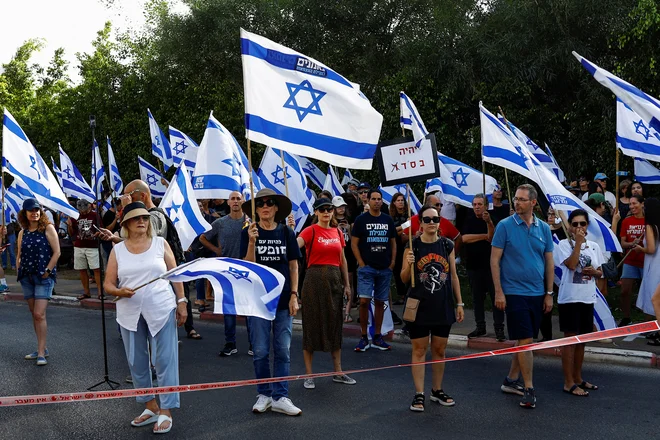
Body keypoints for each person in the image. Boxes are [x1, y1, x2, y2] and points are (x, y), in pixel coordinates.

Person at [103, 202, 188, 434]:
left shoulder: (160, 244)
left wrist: (182, 302)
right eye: (136, 218)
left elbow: (176, 275)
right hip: (129, 313)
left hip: (162, 308)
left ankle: (167, 411)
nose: (142, 221)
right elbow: (108, 284)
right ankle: (150, 407)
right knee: (136, 362)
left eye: (145, 217)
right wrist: (119, 291)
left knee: (165, 360)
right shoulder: (117, 250)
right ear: (126, 224)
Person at [99, 180, 202, 341]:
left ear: (142, 195)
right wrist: (113, 237)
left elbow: (143, 240)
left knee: (163, 343)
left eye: (129, 195)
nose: (125, 198)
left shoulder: (154, 216)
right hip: (139, 296)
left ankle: (177, 331)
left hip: (160, 285)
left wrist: (127, 209)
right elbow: (132, 242)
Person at [491, 184, 554, 409]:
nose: (516, 203)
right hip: (514, 292)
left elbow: (549, 262)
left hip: (538, 293)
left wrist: (549, 293)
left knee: (524, 340)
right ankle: (529, 388)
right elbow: (494, 260)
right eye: (515, 199)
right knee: (526, 341)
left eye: (522, 200)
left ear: (533, 203)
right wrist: (499, 291)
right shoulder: (504, 226)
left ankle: (510, 380)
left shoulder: (544, 228)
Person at [240, 188, 302, 416]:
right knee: (260, 350)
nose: (265, 206)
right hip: (258, 301)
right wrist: (251, 242)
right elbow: (247, 266)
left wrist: (295, 294)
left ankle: (281, 395)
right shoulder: (248, 232)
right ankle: (264, 394)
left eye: (269, 203)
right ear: (256, 210)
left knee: (283, 349)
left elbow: (294, 265)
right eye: (261, 204)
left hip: (284, 299)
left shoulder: (287, 232)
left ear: (277, 209)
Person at [401, 204, 464, 411]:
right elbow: (403, 279)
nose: (431, 223)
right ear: (420, 223)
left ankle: (437, 390)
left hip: (442, 304)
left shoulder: (447, 245)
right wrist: (409, 264)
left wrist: (460, 303)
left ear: (439, 222)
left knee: (439, 349)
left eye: (435, 219)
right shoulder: (412, 246)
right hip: (419, 305)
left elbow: (453, 276)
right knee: (419, 350)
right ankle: (419, 394)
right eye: (426, 219)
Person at [297, 198, 355, 389]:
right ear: (316, 212)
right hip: (313, 281)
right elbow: (294, 245)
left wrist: (347, 284)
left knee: (335, 325)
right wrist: (290, 230)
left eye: (329, 209)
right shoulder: (310, 230)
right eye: (322, 209)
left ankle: (338, 372)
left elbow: (343, 260)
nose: (326, 212)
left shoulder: (337, 231)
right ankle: (309, 375)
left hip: (334, 281)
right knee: (311, 326)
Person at [553, 209, 603, 396]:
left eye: (582, 224)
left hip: (587, 297)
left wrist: (595, 272)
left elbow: (600, 272)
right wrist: (578, 244)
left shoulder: (594, 246)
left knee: (582, 340)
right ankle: (568, 382)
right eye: (575, 224)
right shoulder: (564, 245)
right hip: (570, 298)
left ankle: (578, 378)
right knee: (570, 339)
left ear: (587, 225)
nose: (579, 227)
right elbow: (572, 265)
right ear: (570, 227)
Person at [199, 191, 252, 356]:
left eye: (238, 199)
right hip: (226, 270)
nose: (235, 201)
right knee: (229, 309)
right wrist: (216, 250)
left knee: (249, 310)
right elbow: (203, 237)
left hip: (246, 269)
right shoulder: (220, 223)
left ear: (243, 201)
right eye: (233, 199)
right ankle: (230, 343)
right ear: (228, 203)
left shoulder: (250, 222)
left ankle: (253, 344)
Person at [351, 188, 397, 352]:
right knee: (363, 302)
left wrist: (392, 262)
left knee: (380, 302)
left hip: (384, 268)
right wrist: (361, 263)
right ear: (368, 201)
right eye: (374, 199)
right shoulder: (361, 220)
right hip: (366, 269)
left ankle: (377, 336)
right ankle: (364, 336)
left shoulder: (388, 220)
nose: (377, 201)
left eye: (379, 199)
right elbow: (354, 243)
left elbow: (393, 242)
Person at [16, 198, 60, 366]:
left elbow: (57, 253)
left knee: (38, 314)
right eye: (31, 210)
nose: (35, 213)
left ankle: (41, 353)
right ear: (25, 213)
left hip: (43, 277)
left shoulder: (48, 228)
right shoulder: (23, 232)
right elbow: (19, 253)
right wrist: (18, 267)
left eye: (37, 210)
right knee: (34, 314)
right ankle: (43, 347)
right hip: (27, 277)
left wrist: (48, 271)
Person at [462, 194, 505, 341]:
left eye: (479, 204)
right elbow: (464, 238)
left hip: (491, 267)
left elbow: (493, 238)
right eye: (474, 204)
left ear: (486, 205)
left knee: (496, 297)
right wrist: (483, 236)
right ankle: (480, 326)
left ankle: (499, 328)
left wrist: (489, 224)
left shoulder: (494, 219)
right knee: (477, 298)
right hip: (474, 265)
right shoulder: (468, 219)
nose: (476, 207)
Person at [634, 197, 660, 345]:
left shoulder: (650, 225)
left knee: (655, 300)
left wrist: (639, 248)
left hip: (654, 266)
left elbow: (651, 249)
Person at [618, 194, 645, 327]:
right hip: (630, 261)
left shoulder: (649, 221)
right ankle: (626, 317)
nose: (632, 206)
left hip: (646, 261)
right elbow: (622, 243)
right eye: (630, 204)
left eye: (635, 203)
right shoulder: (626, 221)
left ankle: (649, 321)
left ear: (642, 204)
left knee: (647, 292)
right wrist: (631, 244)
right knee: (624, 291)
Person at [67, 199, 102, 300]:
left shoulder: (95, 215)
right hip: (79, 245)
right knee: (82, 269)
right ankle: (86, 292)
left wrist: (96, 234)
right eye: (81, 210)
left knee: (96, 269)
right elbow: (72, 233)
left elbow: (101, 229)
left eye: (85, 210)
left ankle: (100, 293)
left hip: (92, 246)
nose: (83, 212)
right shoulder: (75, 216)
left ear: (89, 207)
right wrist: (69, 225)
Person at [334, 195, 356, 321]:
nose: (341, 209)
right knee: (337, 283)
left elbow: (354, 240)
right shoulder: (330, 221)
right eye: (338, 207)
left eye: (342, 206)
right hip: (336, 254)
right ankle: (337, 310)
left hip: (348, 253)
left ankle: (347, 313)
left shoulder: (350, 219)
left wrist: (349, 229)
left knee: (349, 282)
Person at [389, 192, 409, 305]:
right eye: (398, 200)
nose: (400, 202)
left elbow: (412, 225)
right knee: (397, 270)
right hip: (396, 245)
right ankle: (401, 294)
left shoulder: (409, 214)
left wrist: (400, 229)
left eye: (402, 200)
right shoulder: (390, 216)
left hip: (407, 245)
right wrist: (404, 227)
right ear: (394, 203)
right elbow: (392, 230)